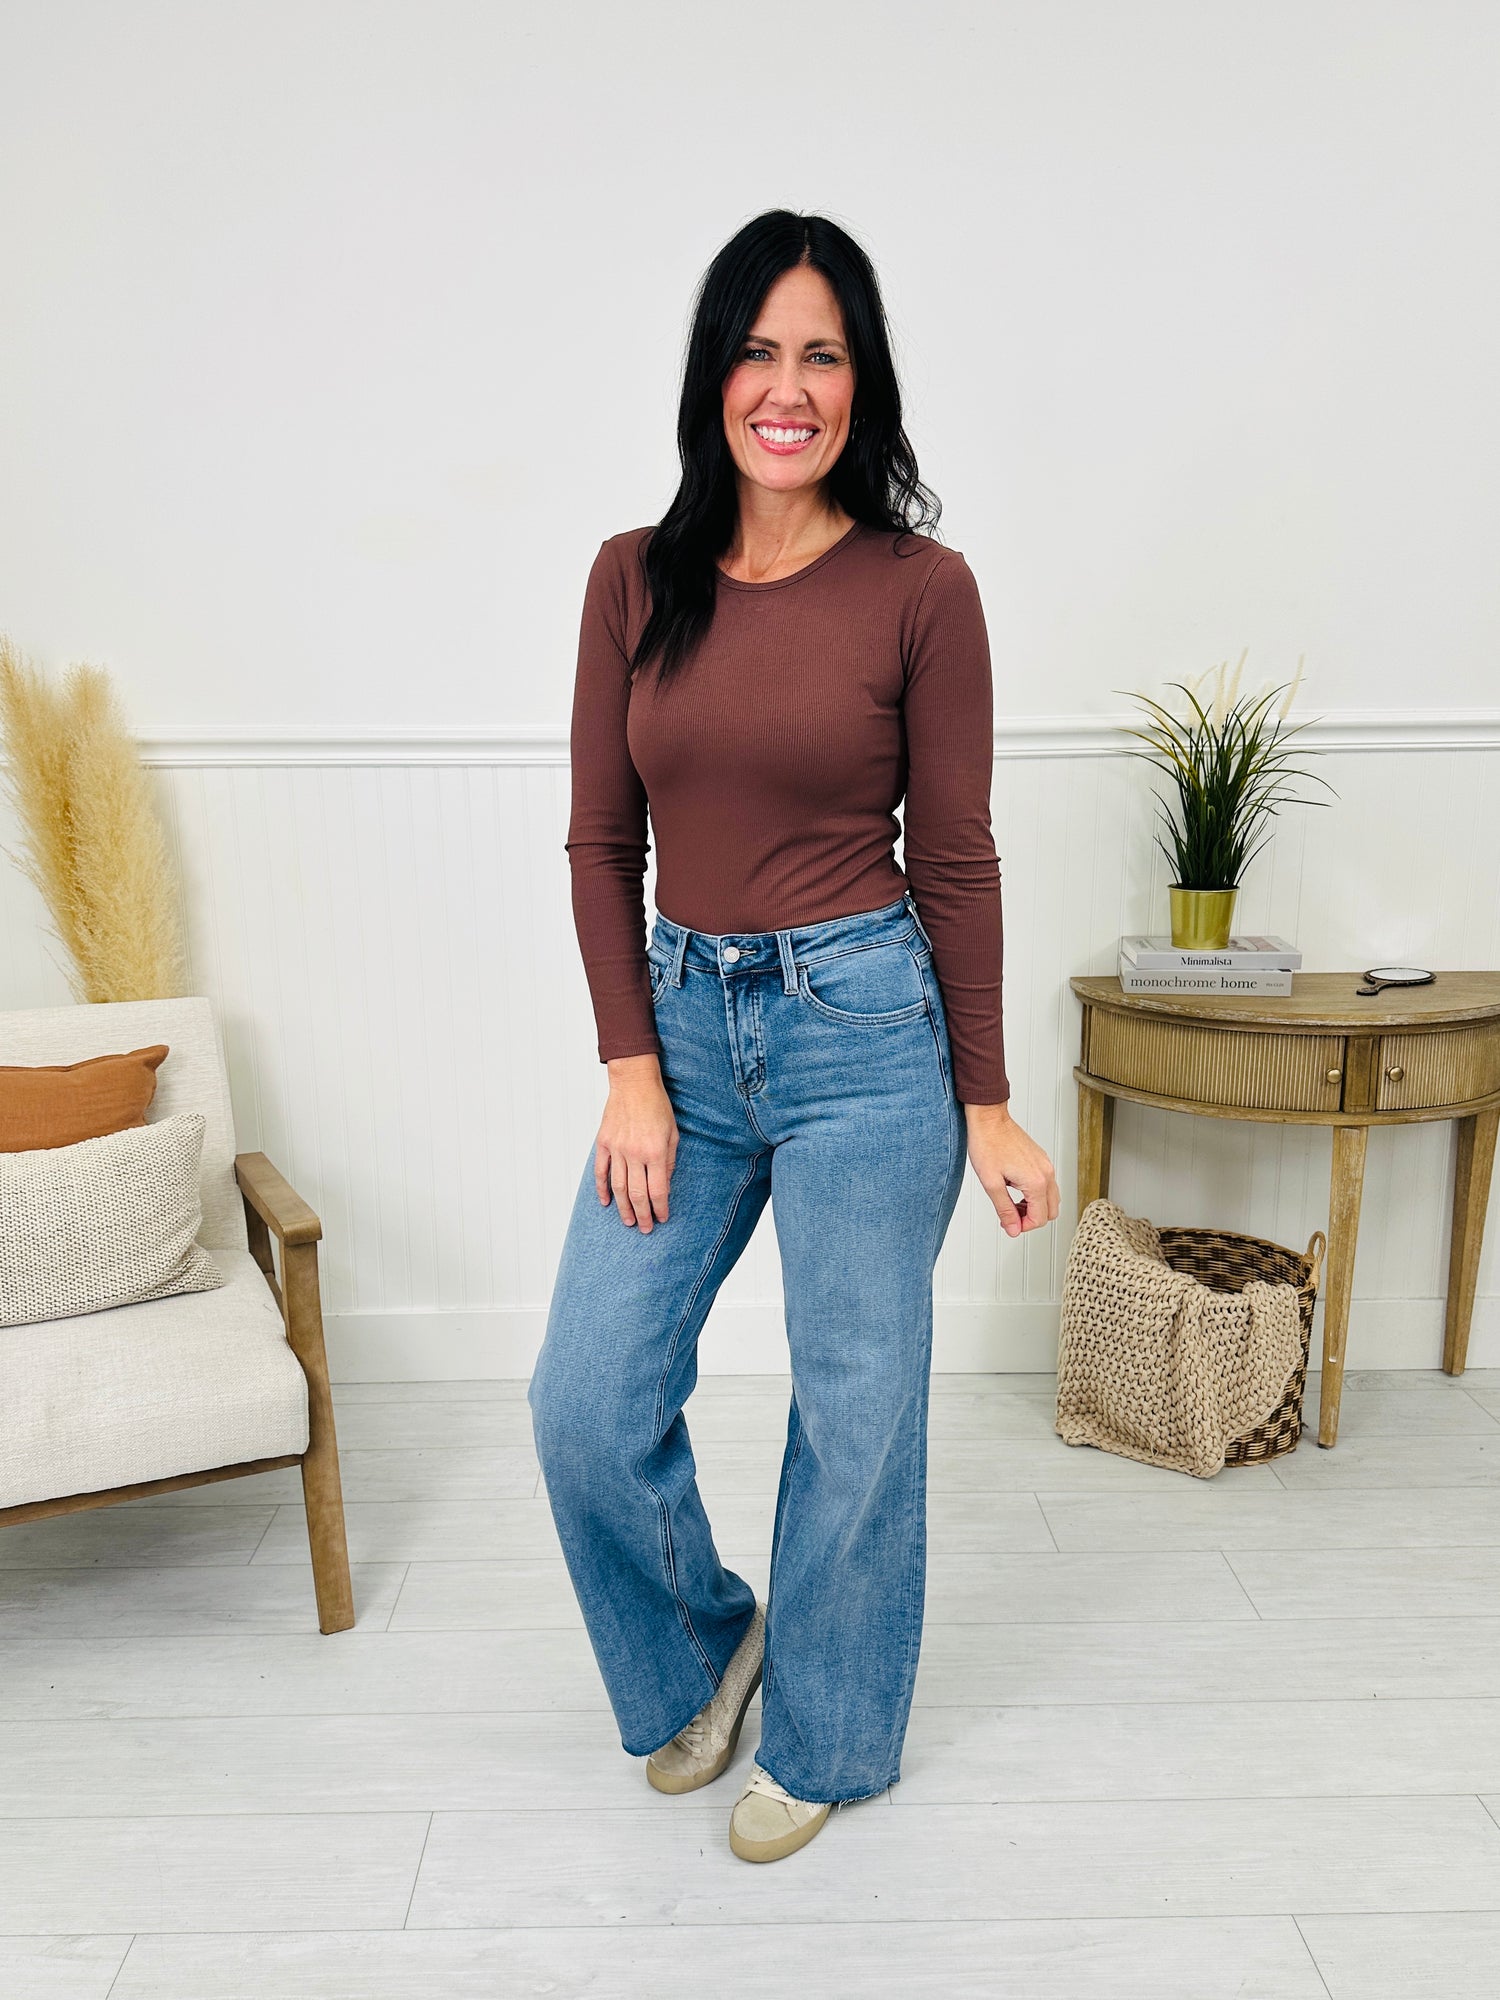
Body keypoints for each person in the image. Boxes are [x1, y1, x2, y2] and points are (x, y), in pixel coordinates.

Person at [528, 208, 1059, 1865]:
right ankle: (711, 1645)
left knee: (856, 1406)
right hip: (682, 1035)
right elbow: (599, 841)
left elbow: (955, 857)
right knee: (583, 1398)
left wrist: (988, 1101)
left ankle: (828, 1738)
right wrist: (632, 1068)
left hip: (866, 1033)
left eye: (822, 355)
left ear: (862, 382)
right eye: (759, 351)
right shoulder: (634, 578)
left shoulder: (923, 591)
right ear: (715, 375)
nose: (789, 387)